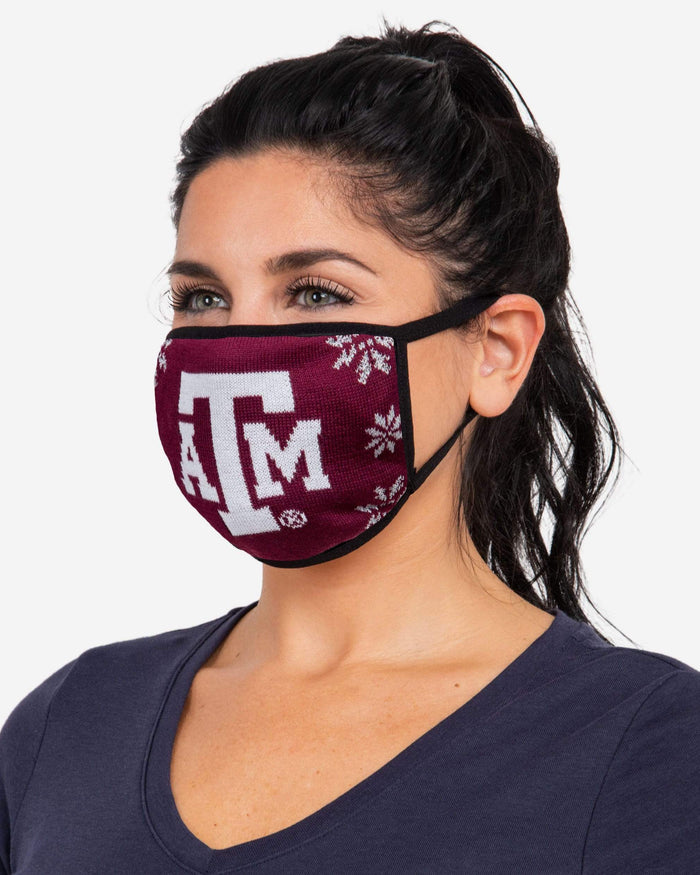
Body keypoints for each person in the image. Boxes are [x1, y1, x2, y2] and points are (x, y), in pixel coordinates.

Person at [1, 18, 699, 874]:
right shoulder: (69, 725)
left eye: (315, 292)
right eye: (203, 299)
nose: (240, 348)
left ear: (496, 350)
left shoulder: (648, 750)